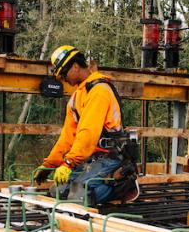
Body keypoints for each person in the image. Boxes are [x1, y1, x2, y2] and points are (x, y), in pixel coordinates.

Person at [36, 45, 140, 205]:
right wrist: (49, 164)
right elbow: (67, 138)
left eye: (63, 74)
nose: (63, 79)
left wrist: (69, 163)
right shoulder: (76, 98)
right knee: (58, 191)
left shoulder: (99, 91)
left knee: (78, 196)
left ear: (76, 66)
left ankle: (123, 185)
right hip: (91, 158)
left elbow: (88, 134)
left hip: (111, 156)